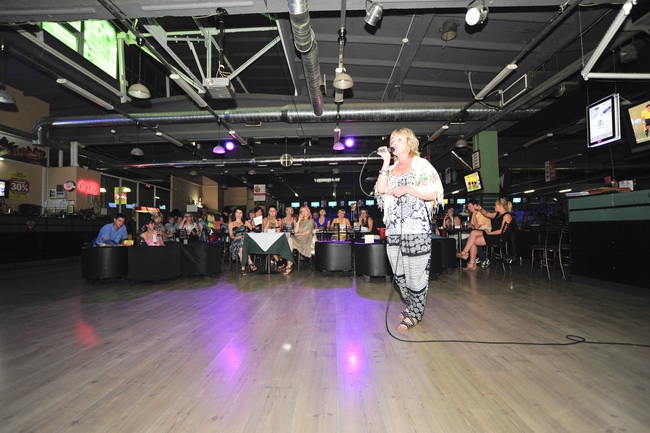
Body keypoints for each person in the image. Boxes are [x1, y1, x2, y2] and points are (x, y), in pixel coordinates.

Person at [375, 128, 444, 331]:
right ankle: (411, 304)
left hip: (416, 230)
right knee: (399, 275)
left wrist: (408, 189)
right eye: (392, 139)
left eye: (398, 139)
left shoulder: (421, 165)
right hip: (394, 230)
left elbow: (435, 193)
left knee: (415, 275)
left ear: (409, 143)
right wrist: (385, 162)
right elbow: (380, 190)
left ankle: (415, 313)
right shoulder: (392, 168)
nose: (393, 142)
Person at [456, 198, 514, 270]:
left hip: (499, 237)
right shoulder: (497, 214)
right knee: (473, 238)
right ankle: (470, 262)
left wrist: (489, 233)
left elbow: (501, 231)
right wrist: (480, 209)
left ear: (500, 206)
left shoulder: (507, 216)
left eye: (495, 205)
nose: (494, 207)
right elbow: (487, 214)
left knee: (473, 237)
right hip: (492, 235)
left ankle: (465, 253)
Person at [285, 205, 316, 275]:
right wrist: (299, 220)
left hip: (305, 240)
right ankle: (289, 264)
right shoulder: (300, 221)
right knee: (289, 240)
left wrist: (298, 234)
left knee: (289, 244)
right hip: (297, 239)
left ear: (308, 212)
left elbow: (307, 232)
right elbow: (295, 231)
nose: (303, 213)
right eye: (302, 211)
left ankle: (289, 264)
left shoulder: (311, 220)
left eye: (305, 211)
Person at [229, 207, 257, 275]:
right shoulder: (231, 224)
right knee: (242, 245)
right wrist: (237, 237)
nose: (239, 214)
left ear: (242, 214)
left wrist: (253, 222)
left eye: (240, 213)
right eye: (237, 212)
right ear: (234, 214)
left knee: (242, 246)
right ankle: (250, 263)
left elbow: (253, 230)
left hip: (246, 241)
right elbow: (231, 235)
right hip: (236, 241)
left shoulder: (246, 222)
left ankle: (243, 267)